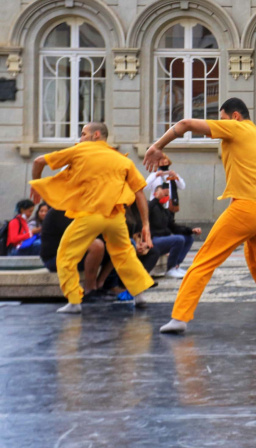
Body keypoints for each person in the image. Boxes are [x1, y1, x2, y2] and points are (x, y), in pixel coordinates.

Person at [146, 98, 256, 335]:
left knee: (204, 259)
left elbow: (184, 124)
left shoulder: (236, 127)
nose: (219, 125)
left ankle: (180, 317)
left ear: (235, 116)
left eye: (222, 118)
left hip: (246, 207)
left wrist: (157, 146)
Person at [29, 122, 155, 314]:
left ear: (96, 134)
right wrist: (145, 223)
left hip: (90, 215)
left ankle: (74, 301)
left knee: (65, 255)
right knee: (124, 253)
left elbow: (38, 161)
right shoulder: (122, 159)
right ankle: (139, 295)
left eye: (83, 133)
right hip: (115, 217)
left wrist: (36, 184)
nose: (80, 138)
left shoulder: (80, 150)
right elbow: (139, 192)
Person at [39, 206, 108, 302]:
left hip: (75, 253)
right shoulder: (59, 211)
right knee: (96, 245)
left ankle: (101, 283)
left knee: (118, 244)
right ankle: (90, 289)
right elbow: (80, 236)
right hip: (55, 258)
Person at [149, 184, 202, 279]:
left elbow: (174, 227)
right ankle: (171, 268)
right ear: (155, 194)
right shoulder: (151, 206)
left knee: (188, 238)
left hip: (163, 239)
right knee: (178, 239)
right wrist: (156, 199)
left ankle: (176, 265)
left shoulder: (164, 211)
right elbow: (147, 210)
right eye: (163, 194)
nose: (165, 196)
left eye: (167, 195)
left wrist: (191, 230)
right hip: (153, 239)